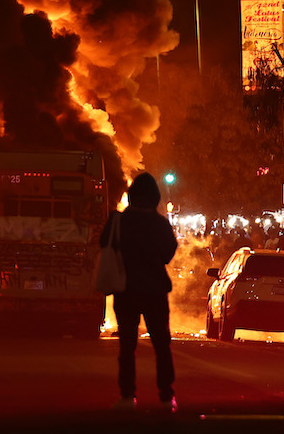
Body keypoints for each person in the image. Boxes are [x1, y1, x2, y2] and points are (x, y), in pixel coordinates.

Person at [101, 172, 178, 411]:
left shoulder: (117, 220)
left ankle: (127, 396)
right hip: (155, 292)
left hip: (126, 290)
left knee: (127, 346)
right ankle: (166, 397)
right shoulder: (160, 224)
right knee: (161, 346)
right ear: (155, 197)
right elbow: (168, 254)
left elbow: (104, 244)